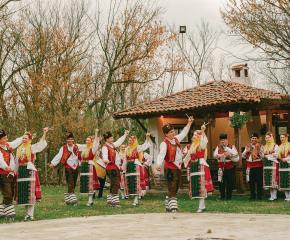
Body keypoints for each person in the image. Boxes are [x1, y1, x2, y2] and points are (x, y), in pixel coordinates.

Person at [156, 117, 194, 212]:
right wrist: (158, 164)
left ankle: (168, 204)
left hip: (178, 167)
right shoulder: (164, 144)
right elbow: (161, 155)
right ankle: (173, 207)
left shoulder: (176, 140)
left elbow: (184, 133)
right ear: (166, 134)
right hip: (170, 168)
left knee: (176, 186)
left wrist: (189, 123)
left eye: (173, 131)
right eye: (171, 132)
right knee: (172, 186)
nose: (173, 133)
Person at [15, 128, 49, 220]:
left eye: (26, 138)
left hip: (29, 171)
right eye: (23, 138)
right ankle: (27, 214)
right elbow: (16, 162)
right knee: (24, 193)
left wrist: (44, 133)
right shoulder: (19, 149)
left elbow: (41, 144)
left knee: (30, 192)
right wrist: (14, 173)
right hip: (21, 171)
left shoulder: (32, 147)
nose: (24, 140)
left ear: (29, 139)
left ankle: (31, 214)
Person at [183, 124, 214, 213]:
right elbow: (188, 156)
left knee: (201, 186)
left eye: (196, 135)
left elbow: (205, 141)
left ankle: (201, 206)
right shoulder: (193, 146)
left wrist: (203, 131)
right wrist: (183, 162)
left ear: (199, 136)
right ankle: (202, 206)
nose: (194, 136)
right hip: (194, 166)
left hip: (200, 166)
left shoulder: (201, 145)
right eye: (194, 135)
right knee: (197, 186)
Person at [49, 132, 83, 206]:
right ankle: (73, 201)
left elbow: (86, 146)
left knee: (74, 183)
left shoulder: (77, 146)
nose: (70, 140)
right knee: (70, 182)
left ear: (73, 140)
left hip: (76, 165)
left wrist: (94, 141)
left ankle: (68, 198)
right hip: (68, 166)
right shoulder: (64, 148)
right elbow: (59, 156)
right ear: (67, 140)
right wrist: (53, 163)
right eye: (69, 139)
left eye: (71, 139)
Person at [102, 130, 129, 207]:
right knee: (115, 184)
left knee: (113, 184)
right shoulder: (105, 147)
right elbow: (104, 155)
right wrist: (105, 159)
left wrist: (125, 135)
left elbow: (119, 141)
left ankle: (110, 201)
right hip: (111, 167)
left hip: (115, 167)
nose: (112, 139)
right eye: (111, 138)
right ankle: (115, 202)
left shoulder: (112, 145)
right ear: (107, 139)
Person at [0, 130, 23, 220]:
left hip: (10, 174)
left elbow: (16, 142)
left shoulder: (8, 146)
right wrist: (6, 167)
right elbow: (0, 160)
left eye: (6, 138)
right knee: (8, 194)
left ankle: (1, 213)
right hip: (3, 174)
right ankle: (11, 215)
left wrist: (23, 137)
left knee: (10, 193)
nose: (6, 139)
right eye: (4, 138)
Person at [122, 134, 150, 205]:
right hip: (129, 166)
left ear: (134, 141)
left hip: (135, 166)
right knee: (130, 182)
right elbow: (125, 159)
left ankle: (136, 200)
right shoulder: (127, 149)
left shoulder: (137, 148)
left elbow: (144, 146)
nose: (129, 141)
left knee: (135, 182)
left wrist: (147, 137)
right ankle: (133, 199)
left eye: (131, 140)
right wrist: (123, 168)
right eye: (129, 140)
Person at [213, 134, 239, 200]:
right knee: (221, 182)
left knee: (229, 182)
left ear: (227, 140)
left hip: (229, 167)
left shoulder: (231, 146)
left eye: (224, 140)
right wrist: (219, 155)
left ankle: (228, 196)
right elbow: (214, 154)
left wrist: (229, 154)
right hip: (220, 168)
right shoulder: (218, 147)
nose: (223, 141)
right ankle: (222, 196)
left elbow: (236, 154)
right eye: (221, 140)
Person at [79, 129, 101, 206]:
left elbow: (96, 143)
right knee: (86, 183)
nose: (87, 142)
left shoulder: (93, 148)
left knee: (90, 184)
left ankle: (90, 200)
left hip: (90, 166)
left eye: (89, 141)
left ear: (91, 141)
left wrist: (96, 133)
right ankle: (89, 200)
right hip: (84, 166)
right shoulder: (85, 149)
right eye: (86, 140)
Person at [242, 132, 264, 200]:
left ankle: (259, 196)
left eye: (255, 138)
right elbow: (243, 156)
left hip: (258, 165)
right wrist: (246, 152)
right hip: (250, 166)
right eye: (252, 138)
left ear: (257, 139)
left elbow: (263, 156)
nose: (254, 139)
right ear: (251, 139)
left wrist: (259, 149)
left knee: (259, 181)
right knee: (251, 182)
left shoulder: (260, 146)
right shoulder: (247, 146)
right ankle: (252, 195)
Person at [263, 132, 279, 201]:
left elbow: (277, 156)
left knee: (273, 180)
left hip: (273, 164)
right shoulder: (264, 147)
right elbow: (263, 155)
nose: (267, 139)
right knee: (268, 179)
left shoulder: (275, 146)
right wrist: (271, 156)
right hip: (267, 165)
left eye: (269, 137)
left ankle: (274, 196)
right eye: (266, 138)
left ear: (271, 138)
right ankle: (271, 195)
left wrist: (269, 156)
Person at [278, 132, 290, 201]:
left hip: (288, 163)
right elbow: (279, 156)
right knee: (284, 179)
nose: (282, 139)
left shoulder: (289, 145)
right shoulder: (280, 146)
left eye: (283, 137)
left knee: (288, 178)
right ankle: (286, 196)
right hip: (282, 163)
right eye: (281, 137)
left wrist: (287, 158)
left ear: (286, 138)